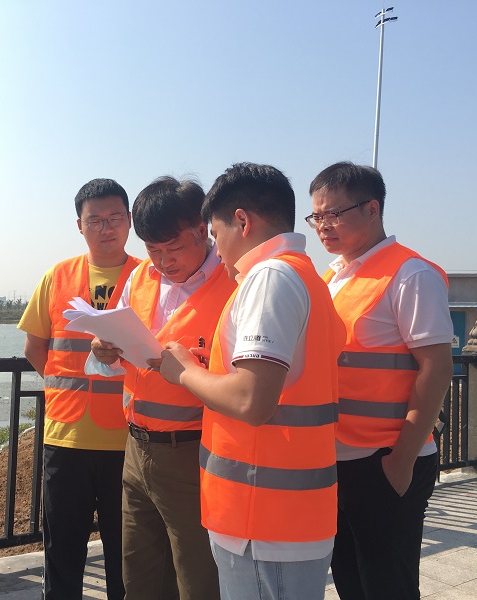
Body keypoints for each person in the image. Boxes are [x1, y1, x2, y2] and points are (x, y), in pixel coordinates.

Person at [157, 163, 345, 600]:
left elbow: (251, 400)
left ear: (242, 221)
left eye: (215, 233)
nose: (216, 249)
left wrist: (185, 371)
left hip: (263, 521)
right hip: (282, 517)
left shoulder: (270, 278)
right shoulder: (305, 275)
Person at [306, 162, 453, 599]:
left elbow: (436, 367)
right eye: (316, 216)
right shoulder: (332, 277)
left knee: (388, 585)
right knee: (351, 580)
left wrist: (401, 461)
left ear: (372, 209)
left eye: (334, 214)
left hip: (384, 458)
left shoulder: (411, 273)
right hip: (337, 459)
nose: (323, 226)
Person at [91, 176, 235, 600]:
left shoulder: (234, 282)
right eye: (153, 249)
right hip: (137, 448)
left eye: (173, 248)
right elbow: (118, 350)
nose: (163, 261)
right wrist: (103, 349)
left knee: (197, 576)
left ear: (202, 230)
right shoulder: (140, 277)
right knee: (139, 574)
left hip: (195, 451)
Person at [18, 178, 139, 600]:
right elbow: (35, 347)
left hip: (130, 438)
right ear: (79, 225)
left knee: (127, 556)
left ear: (129, 221)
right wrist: (67, 386)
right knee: (62, 551)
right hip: (66, 436)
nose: (107, 228)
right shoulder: (58, 276)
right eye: (95, 220)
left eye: (115, 218)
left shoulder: (150, 277)